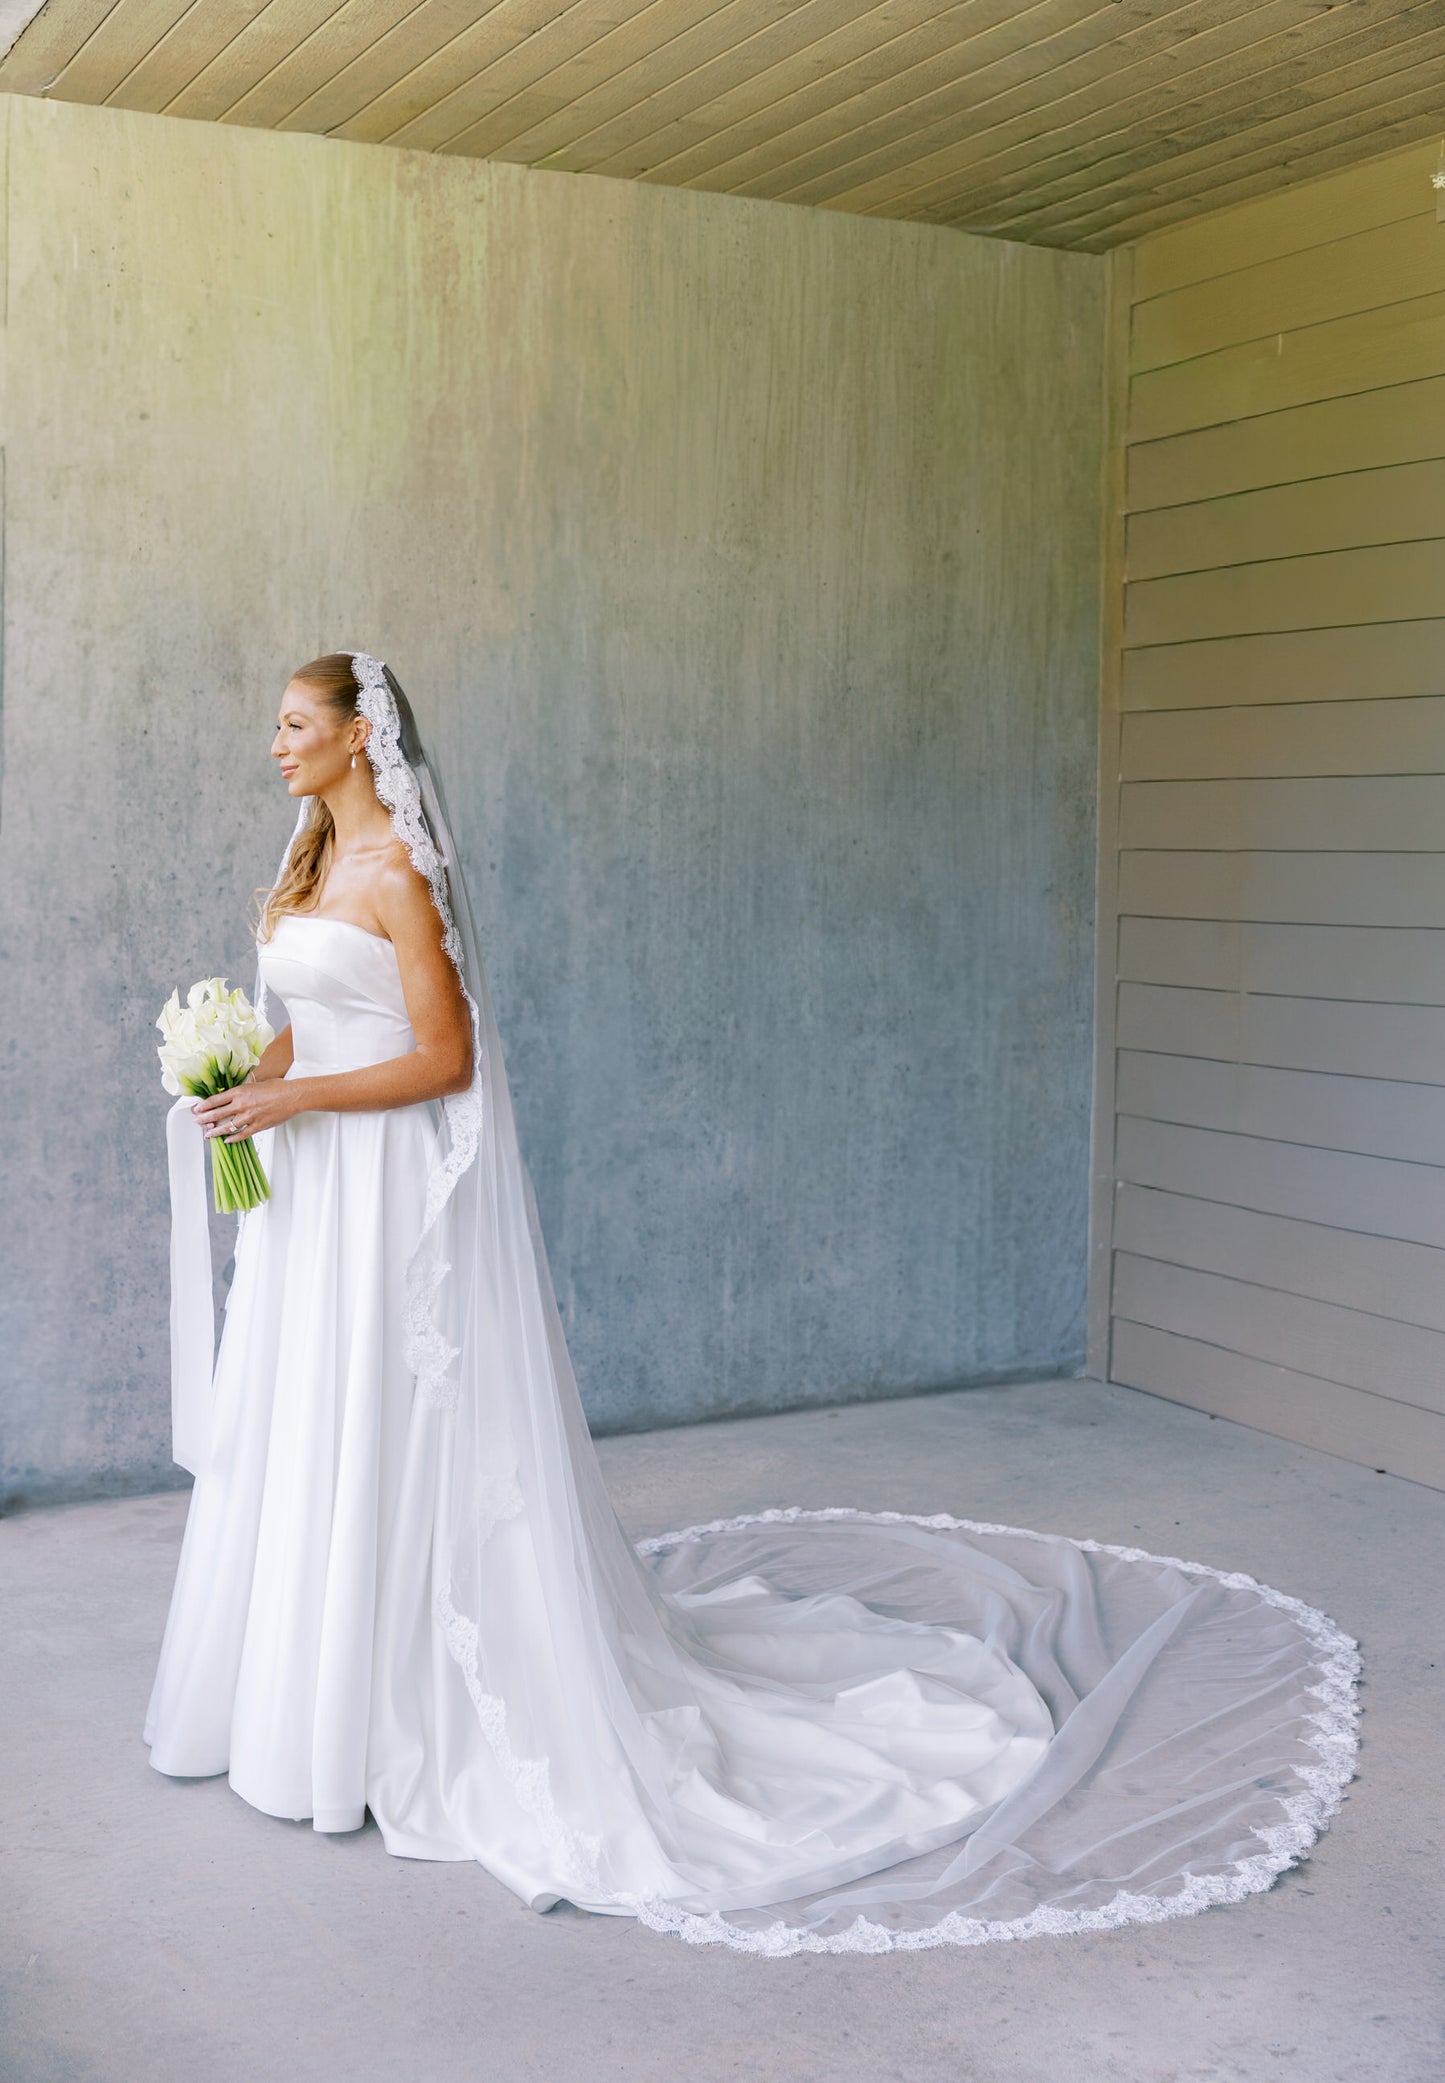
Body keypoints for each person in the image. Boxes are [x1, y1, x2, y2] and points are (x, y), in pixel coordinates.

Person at [144, 652, 1360, 1955]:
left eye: (292, 726)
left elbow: (445, 1059)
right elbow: (308, 1024)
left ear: (356, 738)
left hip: (386, 1190)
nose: (274, 746)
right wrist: (240, 1081)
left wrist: (291, 1099)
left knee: (391, 1420)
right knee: (314, 1422)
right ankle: (301, 1706)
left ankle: (394, 1712)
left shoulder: (397, 876)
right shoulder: (308, 865)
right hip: (317, 1196)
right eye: (276, 728)